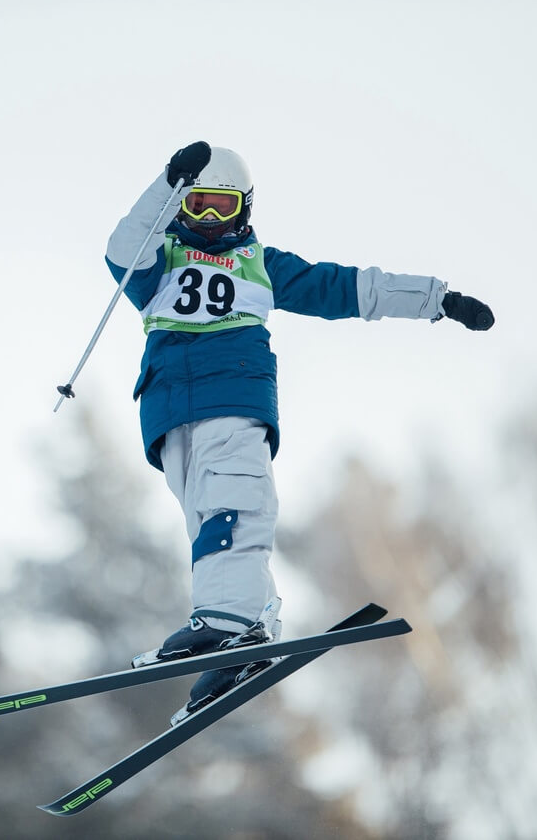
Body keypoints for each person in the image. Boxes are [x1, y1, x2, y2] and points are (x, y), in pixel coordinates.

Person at [113, 141, 494, 725]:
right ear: (181, 207)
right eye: (197, 206)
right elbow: (119, 251)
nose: (209, 221)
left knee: (235, 507)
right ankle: (250, 625)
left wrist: (438, 299)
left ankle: (228, 617)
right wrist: (166, 182)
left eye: (221, 207)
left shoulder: (260, 265)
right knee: (207, 525)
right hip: (168, 416)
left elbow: (350, 288)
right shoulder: (158, 259)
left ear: (243, 208)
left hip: (233, 397)